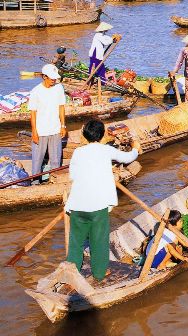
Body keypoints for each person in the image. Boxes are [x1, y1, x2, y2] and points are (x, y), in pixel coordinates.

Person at [65, 119, 142, 281]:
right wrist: (135, 148)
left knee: (76, 242)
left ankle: (71, 273)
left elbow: (72, 175)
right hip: (97, 206)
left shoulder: (78, 152)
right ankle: (99, 274)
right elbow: (128, 158)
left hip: (77, 205)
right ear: (101, 136)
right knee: (98, 241)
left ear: (85, 135)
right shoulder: (106, 150)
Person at [28, 64, 66, 183]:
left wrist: (63, 126)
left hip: (55, 129)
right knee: (37, 160)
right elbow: (33, 113)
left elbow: (61, 107)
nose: (54, 81)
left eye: (55, 79)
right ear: (44, 77)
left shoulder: (59, 88)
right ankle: (35, 182)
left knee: (55, 160)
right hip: (41, 131)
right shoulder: (36, 91)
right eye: (51, 78)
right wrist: (34, 131)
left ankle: (54, 181)